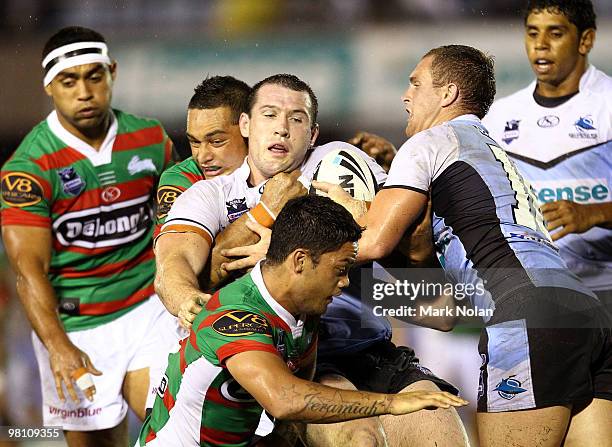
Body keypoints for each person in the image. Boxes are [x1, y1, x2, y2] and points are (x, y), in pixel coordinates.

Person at [314, 44, 612, 447]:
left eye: (415, 83)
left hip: (524, 314)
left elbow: (373, 244)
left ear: (448, 93)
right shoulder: (491, 151)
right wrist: (417, 253)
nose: (405, 95)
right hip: (586, 310)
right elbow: (444, 313)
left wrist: (339, 211)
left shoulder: (429, 142)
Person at [155, 74, 468, 446]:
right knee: (360, 439)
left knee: (440, 427)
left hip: (366, 350)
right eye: (270, 115)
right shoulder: (212, 195)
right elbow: (173, 265)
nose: (283, 129)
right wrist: (184, 297)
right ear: (246, 125)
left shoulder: (345, 166)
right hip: (274, 359)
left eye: (297, 119)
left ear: (313, 133)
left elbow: (437, 314)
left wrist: (416, 252)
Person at [140, 195, 467, 447]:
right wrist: (392, 404)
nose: (345, 283)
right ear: (299, 261)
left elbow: (289, 418)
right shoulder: (236, 316)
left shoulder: (303, 314)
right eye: (339, 270)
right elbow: (286, 400)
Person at [0, 26, 181, 446]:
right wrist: (58, 345)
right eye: (69, 80)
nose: (84, 92)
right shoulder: (28, 168)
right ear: (49, 86)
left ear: (111, 73)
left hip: (147, 309)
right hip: (75, 327)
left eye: (94, 76)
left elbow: (180, 226)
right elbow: (28, 270)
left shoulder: (151, 139)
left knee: (175, 432)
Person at [483, 0, 612, 310]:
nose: (540, 45)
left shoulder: (607, 104)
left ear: (586, 40)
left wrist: (594, 213)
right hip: (537, 295)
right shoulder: (500, 116)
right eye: (532, 33)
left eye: (555, 33)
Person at [154, 76, 251, 238]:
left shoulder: (283, 164)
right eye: (195, 142)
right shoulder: (181, 178)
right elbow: (180, 254)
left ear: (249, 129)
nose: (202, 157)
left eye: (216, 141)